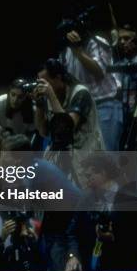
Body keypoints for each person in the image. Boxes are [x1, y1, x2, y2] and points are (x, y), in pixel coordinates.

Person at [34, 58, 105, 188]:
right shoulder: (50, 95)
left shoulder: (80, 93)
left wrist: (51, 95)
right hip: (60, 154)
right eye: (40, 82)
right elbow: (43, 132)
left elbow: (68, 125)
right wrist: (39, 104)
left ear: (58, 77)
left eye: (46, 82)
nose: (43, 86)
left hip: (84, 151)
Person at [62, 29, 123, 151]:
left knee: (107, 155)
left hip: (105, 105)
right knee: (89, 159)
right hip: (84, 109)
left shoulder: (97, 42)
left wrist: (78, 50)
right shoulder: (67, 50)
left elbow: (99, 71)